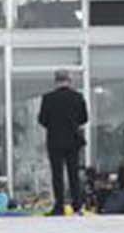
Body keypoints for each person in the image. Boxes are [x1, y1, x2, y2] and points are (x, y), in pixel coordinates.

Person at [37, 69, 90, 216]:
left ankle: (59, 206)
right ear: (69, 80)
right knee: (74, 174)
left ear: (56, 82)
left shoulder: (48, 98)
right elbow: (84, 118)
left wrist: (54, 126)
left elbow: (42, 119)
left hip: (55, 141)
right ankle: (77, 205)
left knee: (57, 174)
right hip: (73, 140)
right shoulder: (78, 97)